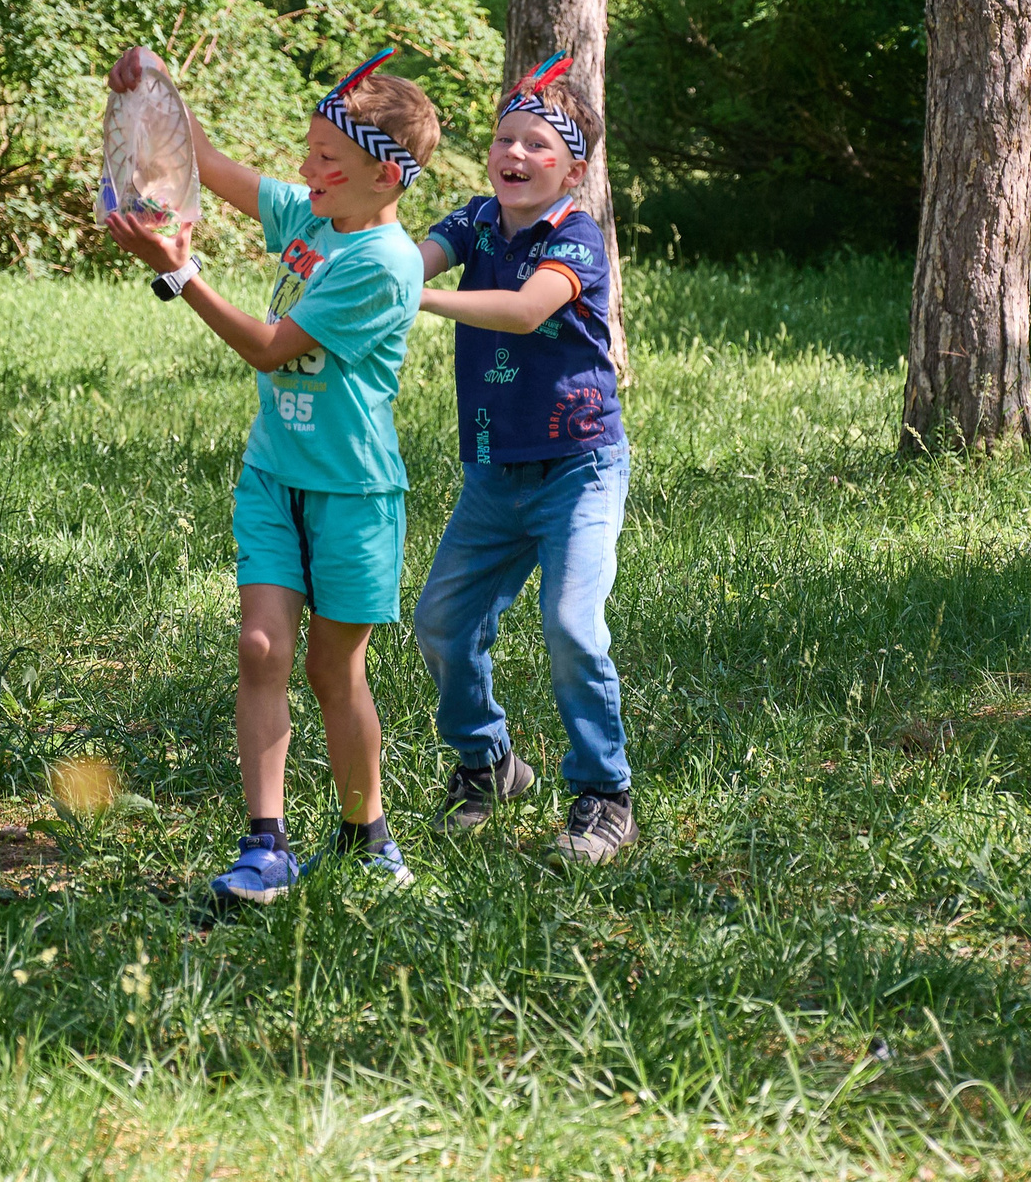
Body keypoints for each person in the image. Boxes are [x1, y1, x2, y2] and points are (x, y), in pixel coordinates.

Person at [102, 44, 439, 905]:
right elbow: (206, 166)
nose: (304, 168)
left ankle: (368, 837)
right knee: (261, 648)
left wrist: (178, 272)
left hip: (356, 494)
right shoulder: (311, 217)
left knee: (334, 672)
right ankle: (266, 845)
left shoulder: (383, 264)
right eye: (309, 152)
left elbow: (267, 345)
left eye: (325, 160)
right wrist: (157, 90)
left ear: (383, 177)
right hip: (272, 477)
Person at [411, 53, 637, 863]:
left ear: (573, 167)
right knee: (438, 625)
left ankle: (603, 794)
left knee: (572, 627)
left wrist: (414, 297)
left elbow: (522, 308)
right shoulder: (474, 221)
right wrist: (367, 264)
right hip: (492, 474)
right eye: (504, 139)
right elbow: (416, 257)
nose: (513, 155)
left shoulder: (576, 238)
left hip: (578, 469)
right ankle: (488, 765)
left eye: (536, 144)